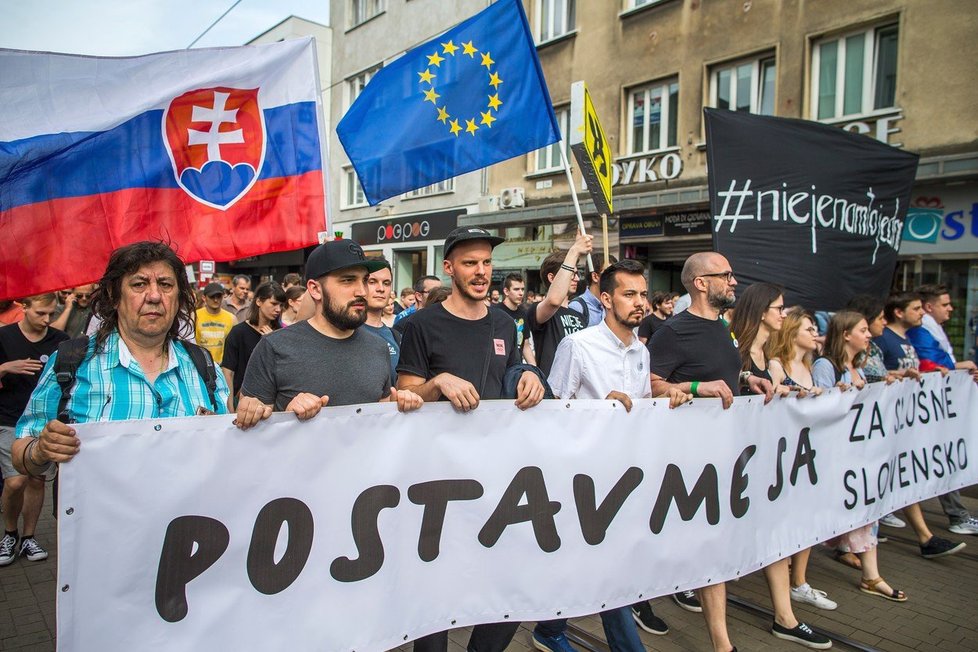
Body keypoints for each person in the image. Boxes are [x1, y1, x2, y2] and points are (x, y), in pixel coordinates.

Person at [648, 254, 827, 651]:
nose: (733, 282)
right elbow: (650, 384)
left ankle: (726, 634)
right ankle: (719, 640)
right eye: (725, 276)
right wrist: (698, 389)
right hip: (689, 459)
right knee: (702, 547)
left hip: (727, 455)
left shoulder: (724, 329)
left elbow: (720, 370)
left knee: (715, 547)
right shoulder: (673, 331)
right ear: (700, 283)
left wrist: (749, 378)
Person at [396, 227, 545, 652]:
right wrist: (438, 382)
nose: (481, 272)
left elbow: (513, 370)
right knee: (437, 591)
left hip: (498, 475)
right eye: (470, 264)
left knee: (509, 586)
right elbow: (406, 393)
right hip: (439, 480)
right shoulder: (422, 325)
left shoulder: (502, 321)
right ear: (449, 269)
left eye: (486, 263)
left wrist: (530, 376)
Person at [543, 260, 690, 651]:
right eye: (629, 294)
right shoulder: (577, 346)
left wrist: (665, 394)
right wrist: (598, 410)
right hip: (582, 477)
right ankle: (557, 631)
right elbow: (552, 413)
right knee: (594, 562)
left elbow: (639, 407)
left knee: (609, 563)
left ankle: (549, 628)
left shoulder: (641, 352)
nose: (639, 302)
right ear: (606, 298)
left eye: (643, 294)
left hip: (624, 475)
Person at [11, 241, 229, 494]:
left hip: (187, 528)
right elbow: (21, 455)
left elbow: (227, 453)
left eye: (166, 285)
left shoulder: (204, 367)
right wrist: (40, 450)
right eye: (139, 284)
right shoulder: (72, 362)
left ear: (179, 298)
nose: (155, 296)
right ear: (114, 297)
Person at [235, 241, 422, 428]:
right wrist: (286, 416)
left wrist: (400, 405)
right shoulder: (274, 347)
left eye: (365, 280)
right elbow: (253, 434)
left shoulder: (378, 347)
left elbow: (380, 421)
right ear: (315, 289)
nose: (362, 291)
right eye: (348, 280)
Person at [811, 311, 908, 602]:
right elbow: (820, 408)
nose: (868, 335)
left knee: (867, 509)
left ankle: (871, 575)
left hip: (857, 454)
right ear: (845, 335)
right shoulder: (825, 366)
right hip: (836, 455)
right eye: (863, 330)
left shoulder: (858, 368)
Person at [0, 294, 69, 566]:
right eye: (41, 313)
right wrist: (6, 367)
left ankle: (28, 536)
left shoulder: (60, 341)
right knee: (15, 481)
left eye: (51, 313)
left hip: (43, 423)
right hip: (9, 420)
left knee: (37, 480)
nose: (47, 319)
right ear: (24, 307)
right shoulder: (4, 337)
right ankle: (9, 532)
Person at [526, 234, 594, 375]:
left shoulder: (579, 315)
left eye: (576, 273)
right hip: (552, 390)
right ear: (552, 277)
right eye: (571, 273)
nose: (576, 278)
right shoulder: (537, 311)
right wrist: (574, 251)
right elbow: (554, 301)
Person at [221, 282, 285, 409]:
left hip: (273, 402)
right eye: (273, 304)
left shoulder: (281, 333)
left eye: (281, 305)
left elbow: (285, 369)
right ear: (259, 302)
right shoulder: (239, 332)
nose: (278, 309)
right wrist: (229, 408)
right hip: (243, 400)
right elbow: (228, 373)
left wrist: (272, 341)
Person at [909, 284, 978, 376]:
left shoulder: (934, 326)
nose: (950, 308)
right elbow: (931, 361)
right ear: (929, 307)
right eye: (945, 305)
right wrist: (957, 366)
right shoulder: (918, 330)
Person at [362, 260, 401, 387]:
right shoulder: (345, 332)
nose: (381, 289)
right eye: (372, 282)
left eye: (386, 283)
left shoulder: (396, 336)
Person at [495, 272, 536, 365]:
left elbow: (525, 345)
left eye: (522, 289)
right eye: (516, 289)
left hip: (516, 368)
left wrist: (535, 370)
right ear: (506, 291)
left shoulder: (523, 314)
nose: (521, 293)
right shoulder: (495, 312)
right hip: (498, 367)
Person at [567, 251, 617, 327]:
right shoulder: (577, 307)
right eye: (609, 274)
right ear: (595, 277)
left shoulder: (613, 305)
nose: (614, 279)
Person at [194, 283, 236, 365]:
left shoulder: (232, 319)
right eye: (212, 297)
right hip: (200, 365)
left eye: (218, 296)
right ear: (204, 297)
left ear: (223, 297)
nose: (215, 300)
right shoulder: (194, 316)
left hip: (222, 366)